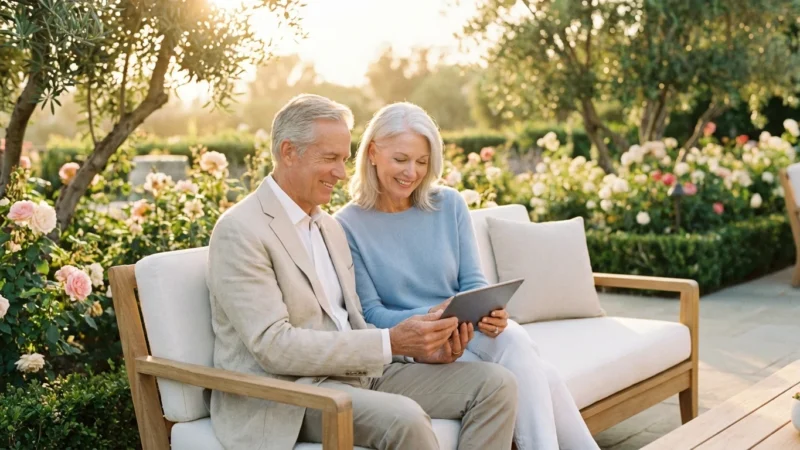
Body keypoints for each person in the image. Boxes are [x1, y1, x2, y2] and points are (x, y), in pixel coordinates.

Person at [206, 94, 518, 450]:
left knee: (497, 385)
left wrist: (420, 352)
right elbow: (273, 345)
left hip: (362, 374)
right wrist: (390, 342)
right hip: (290, 393)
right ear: (289, 152)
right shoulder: (241, 230)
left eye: (343, 158)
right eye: (330, 158)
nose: (341, 172)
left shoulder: (328, 227)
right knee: (406, 420)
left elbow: (354, 322)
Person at [335, 102, 600, 450]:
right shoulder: (347, 225)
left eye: (422, 161)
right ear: (372, 153)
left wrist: (489, 310)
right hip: (419, 345)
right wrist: (432, 321)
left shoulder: (449, 204)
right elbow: (371, 313)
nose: (411, 172)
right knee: (542, 375)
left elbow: (473, 282)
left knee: (514, 340)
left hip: (468, 330)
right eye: (401, 159)